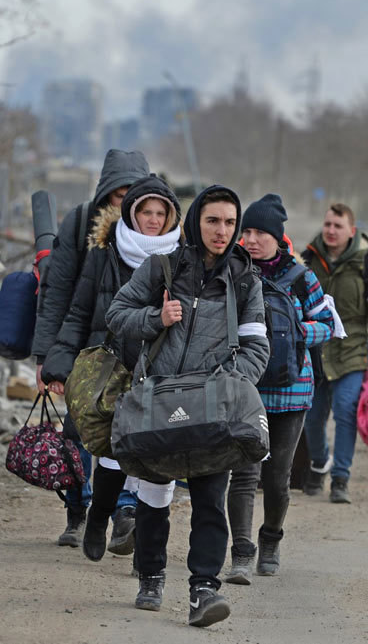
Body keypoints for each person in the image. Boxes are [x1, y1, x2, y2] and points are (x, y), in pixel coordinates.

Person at [106, 185, 270, 627]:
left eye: (230, 223)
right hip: (159, 402)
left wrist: (230, 389)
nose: (222, 231)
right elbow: (117, 314)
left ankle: (203, 590)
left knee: (210, 501)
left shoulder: (244, 279)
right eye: (213, 220)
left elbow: (257, 348)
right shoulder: (161, 267)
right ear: (196, 220)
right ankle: (152, 575)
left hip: (213, 411)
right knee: (154, 497)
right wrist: (155, 320)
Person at [41, 174, 182, 562]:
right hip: (111, 367)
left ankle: (141, 543)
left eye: (160, 213)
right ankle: (99, 515)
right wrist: (57, 364)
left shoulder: (181, 255)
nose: (153, 220)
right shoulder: (105, 252)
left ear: (171, 217)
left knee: (151, 452)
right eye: (146, 212)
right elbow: (79, 311)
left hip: (160, 369)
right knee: (109, 450)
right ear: (131, 213)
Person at [31, 149, 150, 548]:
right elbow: (58, 292)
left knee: (132, 432)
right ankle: (77, 509)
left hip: (140, 353)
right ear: (104, 195)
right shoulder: (84, 224)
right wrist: (48, 359)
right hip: (88, 350)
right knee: (80, 431)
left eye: (134, 193)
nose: (127, 202)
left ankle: (124, 512)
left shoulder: (161, 230)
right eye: (119, 194)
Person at [224, 194, 334, 585]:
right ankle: (241, 553)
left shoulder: (301, 277)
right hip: (244, 389)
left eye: (260, 233)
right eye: (247, 231)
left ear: (278, 237)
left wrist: (297, 332)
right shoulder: (230, 271)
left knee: (277, 478)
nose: (251, 239)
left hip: (291, 392)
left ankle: (270, 539)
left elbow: (328, 325)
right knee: (243, 474)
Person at [301, 203, 368, 504]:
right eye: (327, 224)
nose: (330, 230)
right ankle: (319, 463)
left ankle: (341, 477)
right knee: (312, 418)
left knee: (345, 410)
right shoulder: (309, 258)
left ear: (351, 231)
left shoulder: (366, 262)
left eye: (337, 226)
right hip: (316, 351)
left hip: (352, 351)